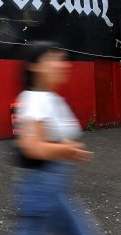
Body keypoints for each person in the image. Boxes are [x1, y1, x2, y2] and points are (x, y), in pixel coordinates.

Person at [14, 41, 99, 235]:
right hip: (42, 187)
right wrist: (67, 150)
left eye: (62, 59)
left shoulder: (52, 99)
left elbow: (53, 138)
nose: (61, 64)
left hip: (53, 187)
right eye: (52, 59)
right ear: (34, 65)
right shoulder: (34, 99)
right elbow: (31, 146)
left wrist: (68, 148)